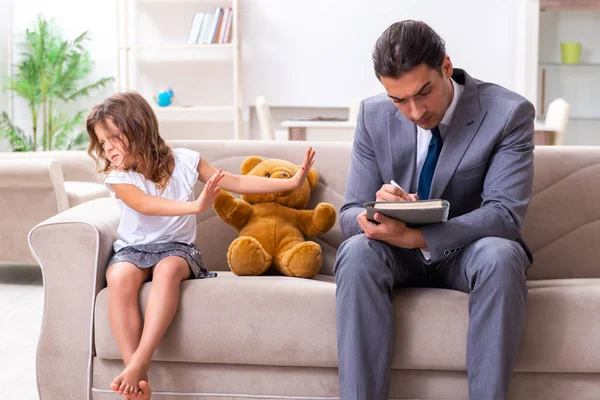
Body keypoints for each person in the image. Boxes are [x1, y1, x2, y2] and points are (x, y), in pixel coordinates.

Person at [334, 20, 535, 400]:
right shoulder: (372, 115)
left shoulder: (508, 114)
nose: (413, 111)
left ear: (445, 66)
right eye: (399, 100)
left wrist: (419, 236)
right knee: (357, 251)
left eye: (422, 93)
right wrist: (376, 213)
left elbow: (504, 214)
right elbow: (348, 215)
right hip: (397, 255)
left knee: (500, 255)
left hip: (468, 254)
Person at [86, 91, 316, 399]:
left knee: (167, 270)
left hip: (178, 249)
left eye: (113, 138)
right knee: (118, 277)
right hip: (132, 250)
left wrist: (290, 183)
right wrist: (195, 206)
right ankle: (137, 378)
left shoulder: (185, 160)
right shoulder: (119, 177)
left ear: (139, 128)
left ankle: (139, 363)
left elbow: (238, 182)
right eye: (102, 143)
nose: (108, 148)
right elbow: (146, 204)